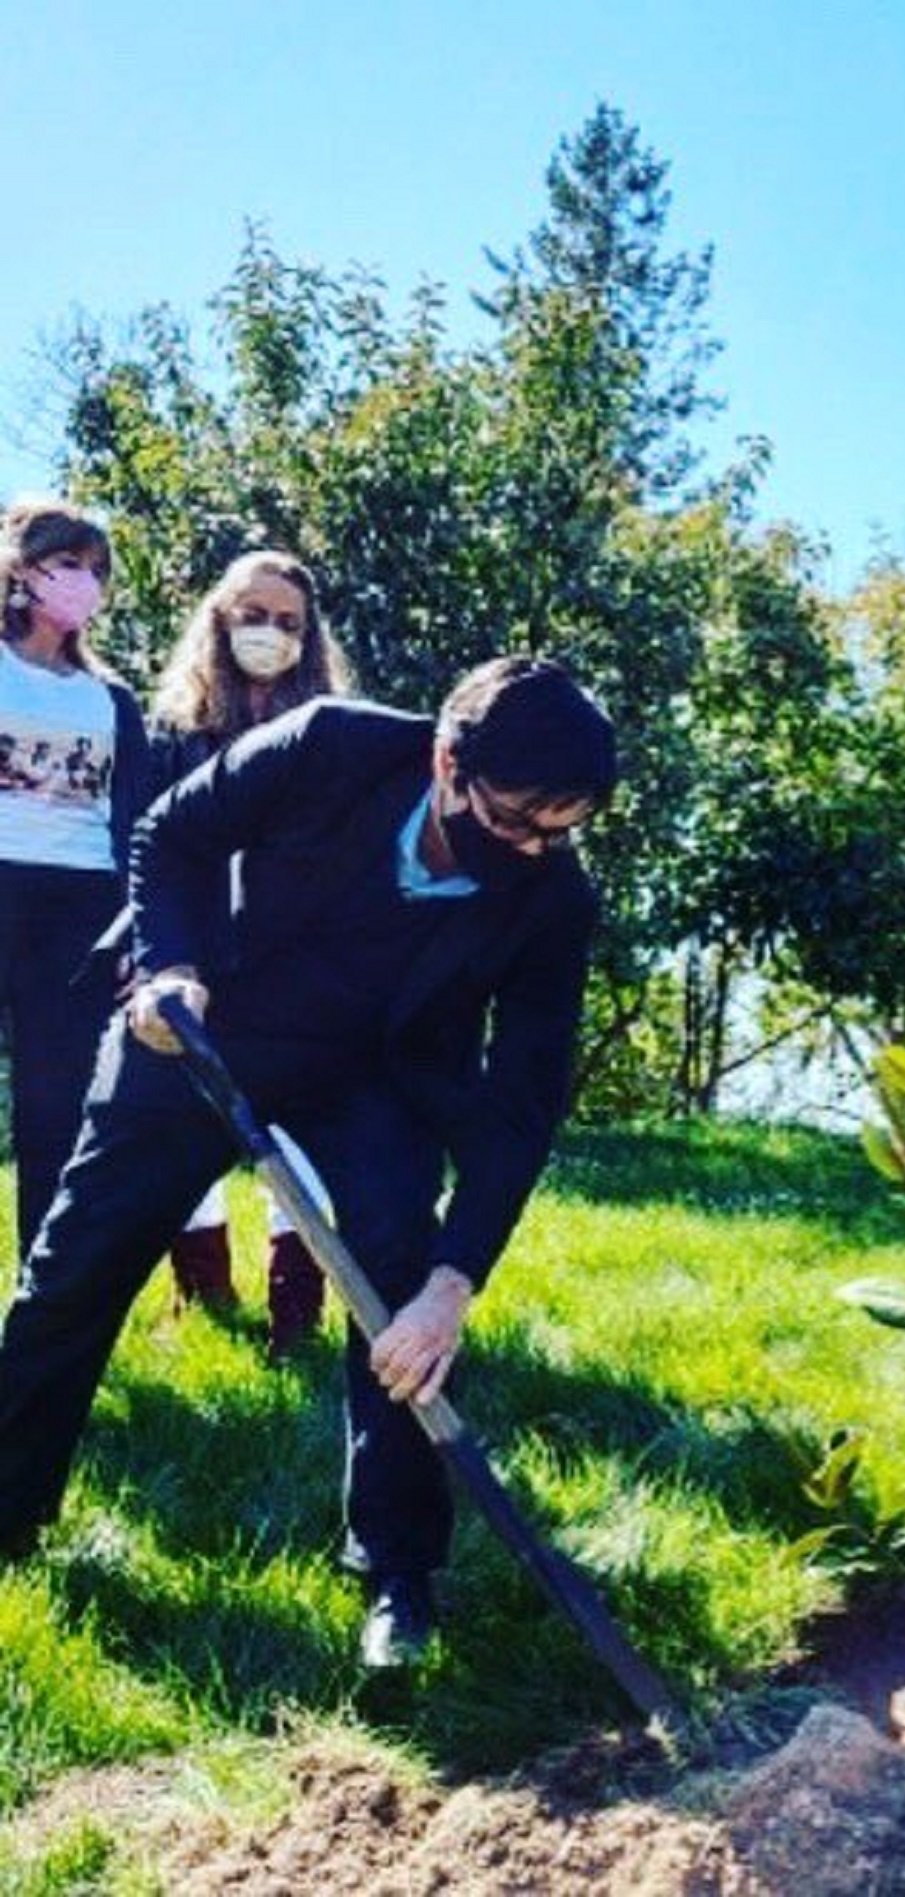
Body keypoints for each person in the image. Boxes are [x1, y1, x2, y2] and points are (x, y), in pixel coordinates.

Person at [0, 656, 616, 1667]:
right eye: (515, 819)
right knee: (74, 1270)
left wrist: (453, 1284)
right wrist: (170, 968)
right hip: (202, 1025)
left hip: (376, 1073)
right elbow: (172, 835)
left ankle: (398, 1574)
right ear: (447, 760)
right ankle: (8, 1510)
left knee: (398, 1282)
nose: (534, 848)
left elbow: (521, 1102)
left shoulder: (553, 900)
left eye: (561, 829)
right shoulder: (328, 744)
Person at [149, 551, 356, 1352]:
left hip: (296, 969)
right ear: (218, 620)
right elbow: (149, 851)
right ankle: (202, 1294)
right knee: (186, 1134)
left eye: (286, 622)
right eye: (251, 615)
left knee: (296, 1143)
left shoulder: (331, 738)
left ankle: (295, 1313)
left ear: (309, 638)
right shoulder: (170, 735)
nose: (268, 633)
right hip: (191, 962)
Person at [0, 498, 150, 1262]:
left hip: (79, 908)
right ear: (22, 571)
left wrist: (135, 932)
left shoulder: (112, 699)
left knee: (53, 1109)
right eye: (68, 564)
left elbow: (138, 823)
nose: (83, 582)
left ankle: (38, 1291)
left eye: (97, 571)